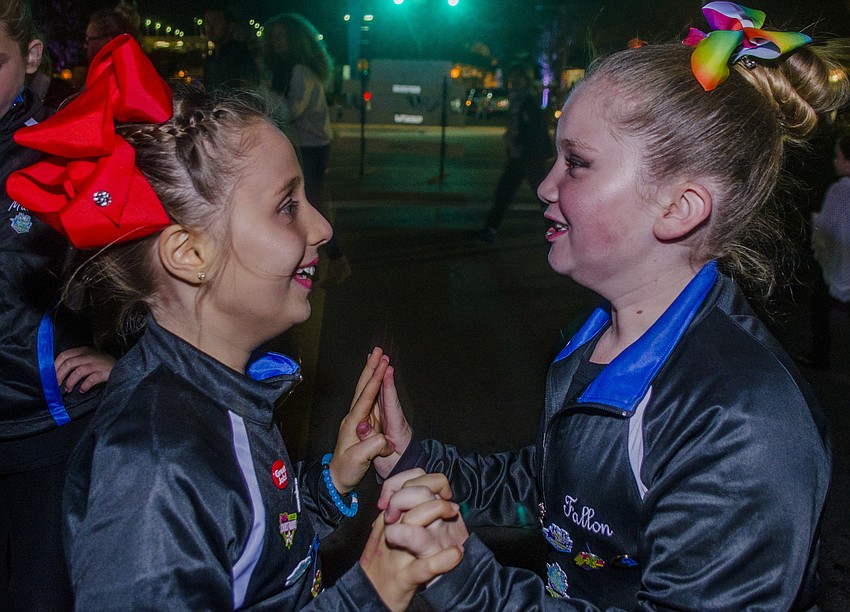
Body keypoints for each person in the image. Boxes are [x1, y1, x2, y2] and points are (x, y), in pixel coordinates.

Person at [361, 2, 849, 609]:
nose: (544, 186)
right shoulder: (594, 336)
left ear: (678, 208)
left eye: (577, 164)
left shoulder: (743, 421)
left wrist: (464, 581)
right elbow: (558, 490)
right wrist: (416, 461)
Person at [7, 34, 461, 610]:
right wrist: (371, 592)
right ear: (190, 256)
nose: (321, 228)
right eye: (287, 206)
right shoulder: (153, 470)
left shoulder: (212, 390)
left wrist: (330, 485)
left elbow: (254, 560)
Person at [0, 1, 115, 609]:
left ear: (32, 57)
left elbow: (158, 266)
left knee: (41, 599)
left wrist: (131, 359)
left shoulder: (67, 154)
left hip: (47, 430)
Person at [264, 13, 350, 287]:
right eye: (272, 36)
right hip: (309, 145)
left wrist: (261, 95)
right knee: (304, 205)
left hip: (310, 146)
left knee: (308, 206)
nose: (275, 42)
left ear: (295, 40)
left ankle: (336, 261)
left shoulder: (299, 70)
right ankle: (325, 262)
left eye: (281, 36)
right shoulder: (292, 68)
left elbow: (292, 110)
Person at [478, 62, 553, 244]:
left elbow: (533, 130)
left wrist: (518, 142)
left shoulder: (527, 102)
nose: (515, 83)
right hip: (519, 156)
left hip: (529, 157)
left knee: (540, 196)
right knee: (504, 193)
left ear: (525, 81)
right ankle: (490, 229)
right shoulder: (518, 100)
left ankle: (556, 233)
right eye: (513, 80)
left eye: (518, 79)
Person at [804, 134, 850, 369]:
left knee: (819, 306)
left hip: (838, 259)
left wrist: (816, 224)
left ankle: (819, 355)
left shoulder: (839, 190)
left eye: (838, 156)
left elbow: (828, 229)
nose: (835, 161)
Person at [203, 3, 260, 92]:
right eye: (207, 22)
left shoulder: (241, 54)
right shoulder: (211, 58)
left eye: (216, 21)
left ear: (230, 26)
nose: (210, 27)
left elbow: (250, 88)